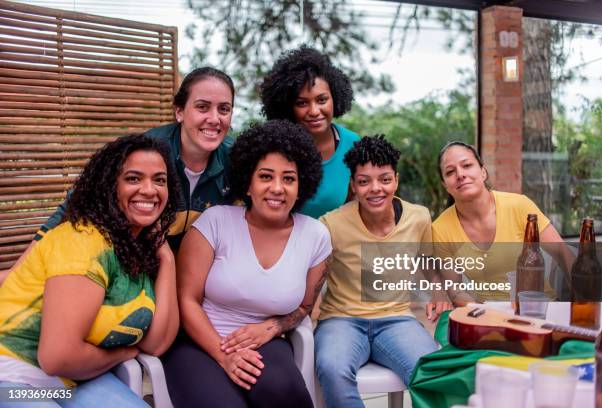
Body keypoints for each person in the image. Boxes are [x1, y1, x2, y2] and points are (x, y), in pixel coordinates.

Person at [1, 67, 236, 287]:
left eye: (224, 109)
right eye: (202, 107)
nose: (214, 119)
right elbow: (78, 203)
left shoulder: (237, 160)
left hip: (200, 282)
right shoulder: (148, 151)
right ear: (179, 112)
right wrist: (17, 271)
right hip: (138, 270)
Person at [161, 120, 332, 408]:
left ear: (301, 186)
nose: (277, 188)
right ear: (248, 183)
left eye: (289, 179)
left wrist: (273, 327)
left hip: (265, 341)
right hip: (197, 341)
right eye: (266, 177)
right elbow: (186, 300)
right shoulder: (215, 222)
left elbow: (304, 306)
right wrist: (223, 353)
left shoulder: (316, 236)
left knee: (288, 395)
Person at [0, 134, 180, 407]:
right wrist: (120, 355)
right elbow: (58, 357)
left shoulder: (135, 248)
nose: (149, 189)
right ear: (110, 187)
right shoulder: (84, 241)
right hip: (13, 377)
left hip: (72, 380)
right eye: (133, 178)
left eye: (159, 180)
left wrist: (167, 259)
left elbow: (156, 344)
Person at [314, 135, 449, 408]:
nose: (375, 189)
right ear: (353, 184)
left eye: (384, 179)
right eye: (364, 181)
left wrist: (438, 289)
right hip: (342, 320)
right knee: (332, 369)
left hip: (397, 319)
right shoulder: (330, 224)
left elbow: (427, 262)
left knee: (432, 373)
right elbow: (313, 283)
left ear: (396, 180)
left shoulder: (418, 217)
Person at [432, 141, 570, 303]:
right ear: (445, 185)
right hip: (485, 315)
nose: (460, 174)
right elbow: (454, 289)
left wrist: (588, 299)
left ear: (483, 172)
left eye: (467, 165)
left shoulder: (519, 206)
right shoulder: (440, 228)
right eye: (450, 172)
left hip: (537, 310)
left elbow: (562, 252)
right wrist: (482, 312)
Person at [260, 46, 360, 219]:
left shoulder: (353, 145)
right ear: (288, 107)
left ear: (335, 98)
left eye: (322, 100)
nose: (314, 111)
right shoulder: (274, 147)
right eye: (302, 103)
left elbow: (356, 209)